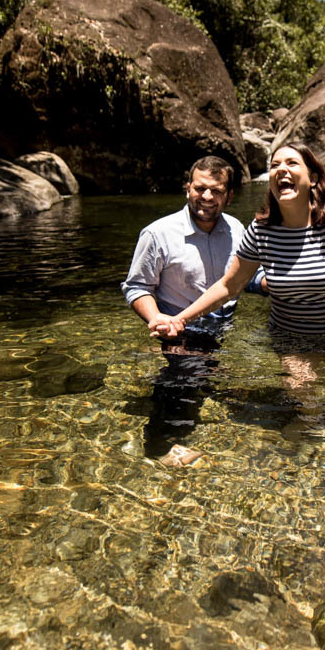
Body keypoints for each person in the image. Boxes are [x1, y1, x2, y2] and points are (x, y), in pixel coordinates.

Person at [156, 144, 325, 392]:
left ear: (313, 179)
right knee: (305, 400)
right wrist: (179, 319)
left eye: (291, 163)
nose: (281, 170)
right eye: (275, 165)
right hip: (292, 342)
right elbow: (229, 285)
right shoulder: (260, 231)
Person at [121, 154, 262, 465]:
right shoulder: (158, 234)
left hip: (223, 326)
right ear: (187, 189)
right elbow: (136, 287)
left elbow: (241, 280)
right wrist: (157, 317)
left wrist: (270, 284)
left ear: (229, 195)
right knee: (185, 376)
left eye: (217, 190)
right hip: (179, 327)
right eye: (200, 188)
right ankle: (158, 446)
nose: (207, 197)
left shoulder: (236, 230)